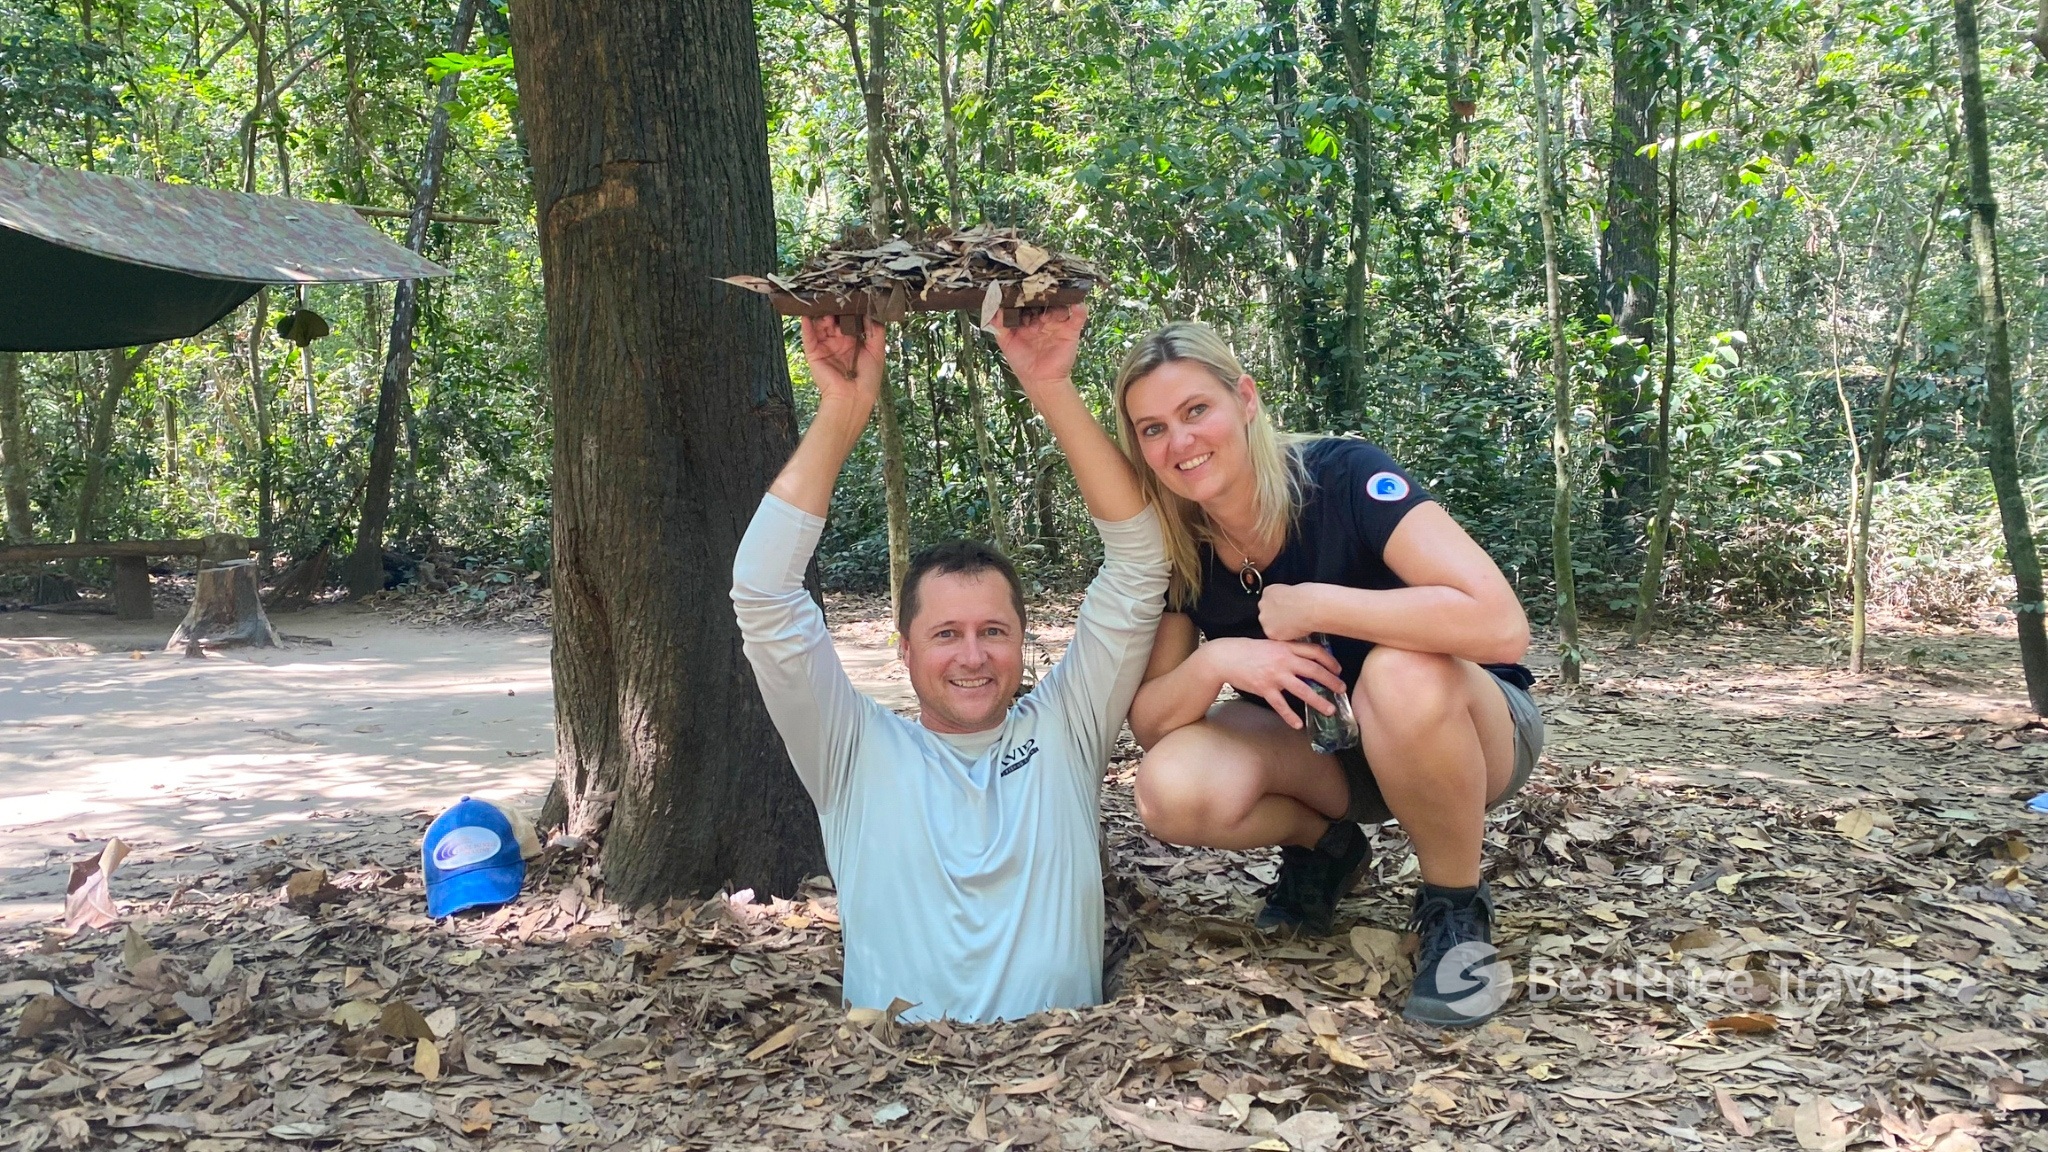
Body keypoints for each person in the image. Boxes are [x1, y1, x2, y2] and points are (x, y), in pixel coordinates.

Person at [731, 305, 1166, 1023]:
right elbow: (764, 594)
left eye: (994, 631)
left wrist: (1048, 382)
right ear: (904, 651)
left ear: (1023, 642)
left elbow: (1140, 563)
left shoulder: (1066, 729)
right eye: (945, 635)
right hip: (894, 1095)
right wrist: (843, 410)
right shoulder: (852, 750)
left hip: (1064, 1087)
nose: (973, 656)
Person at [1111, 322, 1542, 1028]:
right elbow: (1154, 723)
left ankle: (1454, 908)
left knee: (1400, 675)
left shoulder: (1343, 477)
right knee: (1171, 787)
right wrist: (1219, 659)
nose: (1180, 443)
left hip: (1469, 731)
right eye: (1153, 428)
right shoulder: (1183, 545)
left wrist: (1315, 604)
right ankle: (1328, 850)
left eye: (1196, 411)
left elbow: (1500, 624)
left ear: (1245, 400)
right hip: (1337, 753)